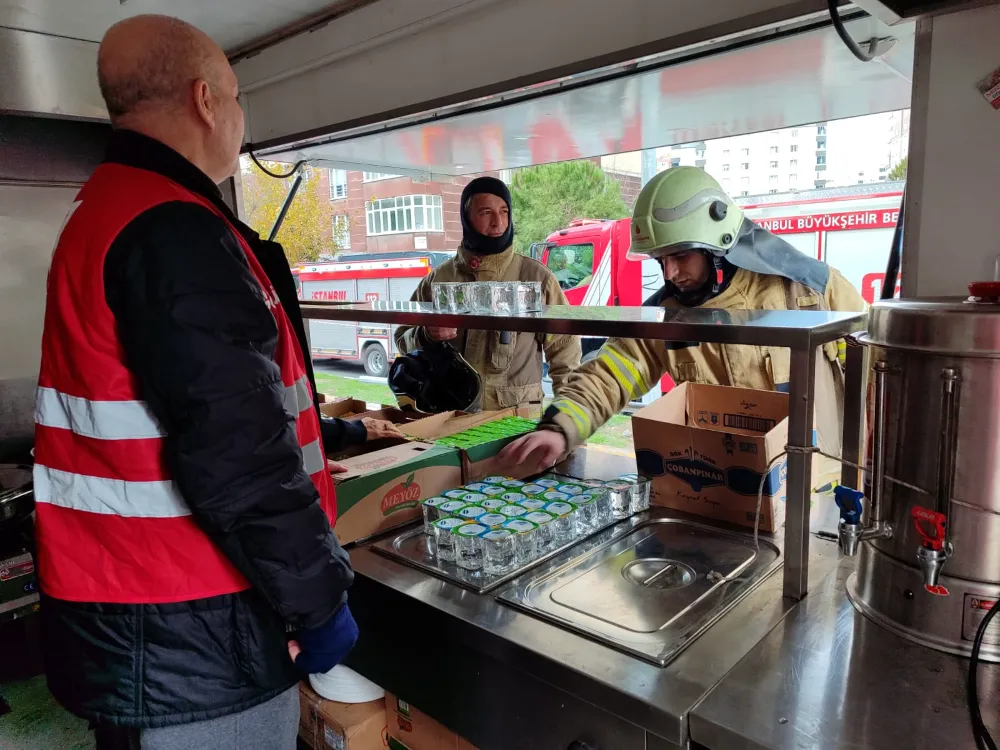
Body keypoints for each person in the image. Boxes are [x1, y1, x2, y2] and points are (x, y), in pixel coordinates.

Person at [32, 15, 377, 749]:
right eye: (239, 96)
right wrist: (319, 604)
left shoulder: (108, 208)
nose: (241, 118)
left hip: (138, 620)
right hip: (192, 630)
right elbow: (236, 450)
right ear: (206, 100)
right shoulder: (174, 229)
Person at [501, 166, 866, 470]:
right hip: (722, 496)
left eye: (681, 255)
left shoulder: (811, 292)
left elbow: (880, 384)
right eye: (660, 260)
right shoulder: (667, 317)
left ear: (719, 243)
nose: (671, 273)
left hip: (816, 501)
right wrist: (559, 428)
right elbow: (608, 374)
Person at [394, 177, 581, 410]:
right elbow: (402, 340)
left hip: (515, 425)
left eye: (504, 211)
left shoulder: (536, 278)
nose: (498, 223)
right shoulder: (439, 280)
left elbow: (566, 357)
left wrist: (568, 426)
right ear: (466, 217)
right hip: (453, 419)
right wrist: (426, 334)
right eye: (485, 213)